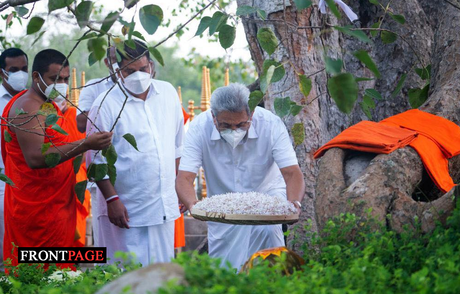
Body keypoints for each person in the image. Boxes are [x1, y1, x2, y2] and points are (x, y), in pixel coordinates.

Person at [1, 49, 112, 269]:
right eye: (54, 79)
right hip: (34, 211)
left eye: (65, 79)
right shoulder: (28, 106)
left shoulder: (49, 106)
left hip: (58, 206)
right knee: (37, 277)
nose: (61, 84)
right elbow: (35, 158)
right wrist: (86, 144)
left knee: (61, 274)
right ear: (36, 77)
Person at [176, 83, 305, 270]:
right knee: (225, 269)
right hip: (223, 205)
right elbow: (184, 178)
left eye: (241, 124)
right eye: (225, 125)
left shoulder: (270, 124)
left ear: (251, 115)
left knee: (268, 245)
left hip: (266, 197)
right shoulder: (199, 128)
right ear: (213, 117)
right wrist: (192, 204)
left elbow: (292, 173)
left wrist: (295, 204)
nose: (234, 130)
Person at [86, 39, 184, 266]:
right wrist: (112, 199)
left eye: (143, 69)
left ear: (151, 65)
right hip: (125, 208)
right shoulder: (105, 103)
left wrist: (178, 188)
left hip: (162, 206)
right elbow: (95, 160)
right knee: (123, 276)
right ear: (117, 70)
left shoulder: (168, 93)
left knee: (161, 275)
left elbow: (177, 146)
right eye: (130, 71)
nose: (138, 75)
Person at [0, 47, 28, 270]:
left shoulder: (34, 102)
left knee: (28, 253)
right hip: (2, 184)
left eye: (25, 69)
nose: (21, 74)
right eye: (14, 70)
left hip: (28, 185)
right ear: (2, 73)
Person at [76, 46, 118, 133]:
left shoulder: (141, 87)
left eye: (123, 60)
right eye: (115, 59)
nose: (119, 65)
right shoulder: (94, 87)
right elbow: (81, 125)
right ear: (107, 62)